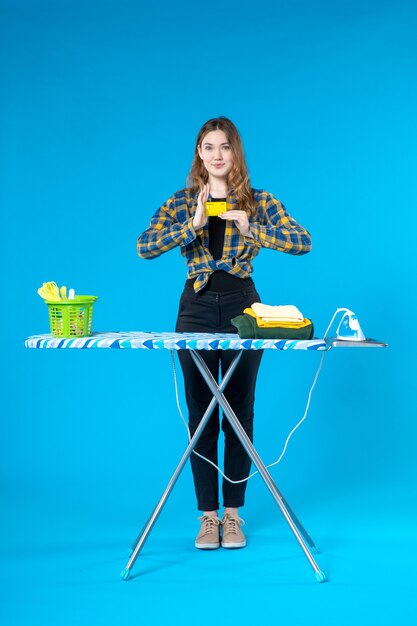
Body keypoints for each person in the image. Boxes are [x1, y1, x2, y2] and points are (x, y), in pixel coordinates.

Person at [137, 116, 312, 550]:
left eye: (225, 147)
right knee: (202, 415)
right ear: (200, 153)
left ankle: (233, 515)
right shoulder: (181, 202)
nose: (217, 155)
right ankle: (207, 517)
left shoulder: (257, 200)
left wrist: (256, 230)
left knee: (238, 410)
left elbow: (303, 241)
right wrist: (191, 225)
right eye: (209, 147)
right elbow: (144, 247)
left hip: (242, 307)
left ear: (236, 153)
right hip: (195, 309)